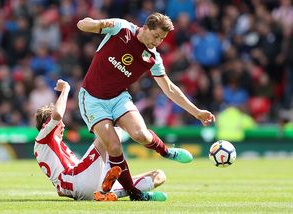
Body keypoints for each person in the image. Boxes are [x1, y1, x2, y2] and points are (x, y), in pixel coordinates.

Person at [76, 12, 215, 201]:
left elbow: (170, 89)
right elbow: (90, 25)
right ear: (146, 27)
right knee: (114, 146)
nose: (158, 42)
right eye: (156, 36)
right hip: (92, 98)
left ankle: (166, 152)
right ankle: (135, 194)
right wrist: (88, 24)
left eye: (162, 39)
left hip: (118, 98)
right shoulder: (121, 28)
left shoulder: (153, 58)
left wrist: (197, 112)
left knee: (141, 134)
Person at [34, 79, 167, 201]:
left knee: (159, 175)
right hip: (77, 180)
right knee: (109, 132)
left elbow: (61, 192)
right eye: (59, 123)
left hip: (82, 185)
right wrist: (66, 89)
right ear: (47, 124)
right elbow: (57, 114)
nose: (63, 125)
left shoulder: (50, 147)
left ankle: (110, 192)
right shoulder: (43, 137)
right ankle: (112, 174)